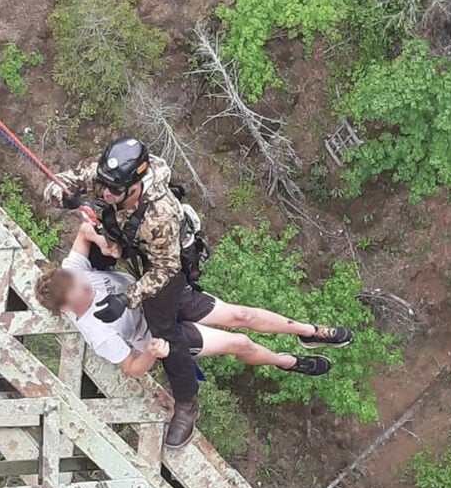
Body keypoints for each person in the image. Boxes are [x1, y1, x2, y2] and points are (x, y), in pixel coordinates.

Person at [35, 223, 355, 439]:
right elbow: (131, 368)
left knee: (239, 314)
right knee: (239, 343)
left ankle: (309, 331)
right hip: (160, 334)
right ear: (66, 307)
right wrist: (150, 353)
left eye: (80, 282)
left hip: (160, 297)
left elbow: (83, 231)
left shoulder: (73, 273)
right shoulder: (96, 332)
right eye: (79, 291)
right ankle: (287, 362)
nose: (84, 286)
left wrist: (105, 242)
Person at [44, 138, 202, 449]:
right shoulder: (110, 178)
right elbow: (56, 185)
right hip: (127, 231)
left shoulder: (162, 213)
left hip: (162, 258)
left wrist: (127, 298)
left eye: (113, 192)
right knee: (97, 241)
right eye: (102, 186)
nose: (105, 194)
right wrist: (68, 198)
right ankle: (96, 276)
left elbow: (165, 269)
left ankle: (187, 403)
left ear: (135, 186)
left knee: (164, 328)